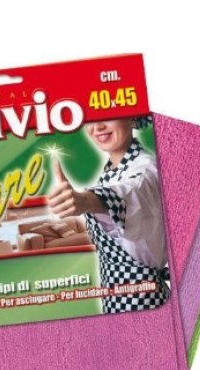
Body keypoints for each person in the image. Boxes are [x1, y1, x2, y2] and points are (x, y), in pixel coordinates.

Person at [48, 117, 170, 313]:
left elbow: (131, 193)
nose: (97, 127)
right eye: (90, 119)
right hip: (115, 297)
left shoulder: (146, 170)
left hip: (140, 300)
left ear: (132, 118)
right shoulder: (112, 171)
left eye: (107, 116)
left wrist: (86, 201)